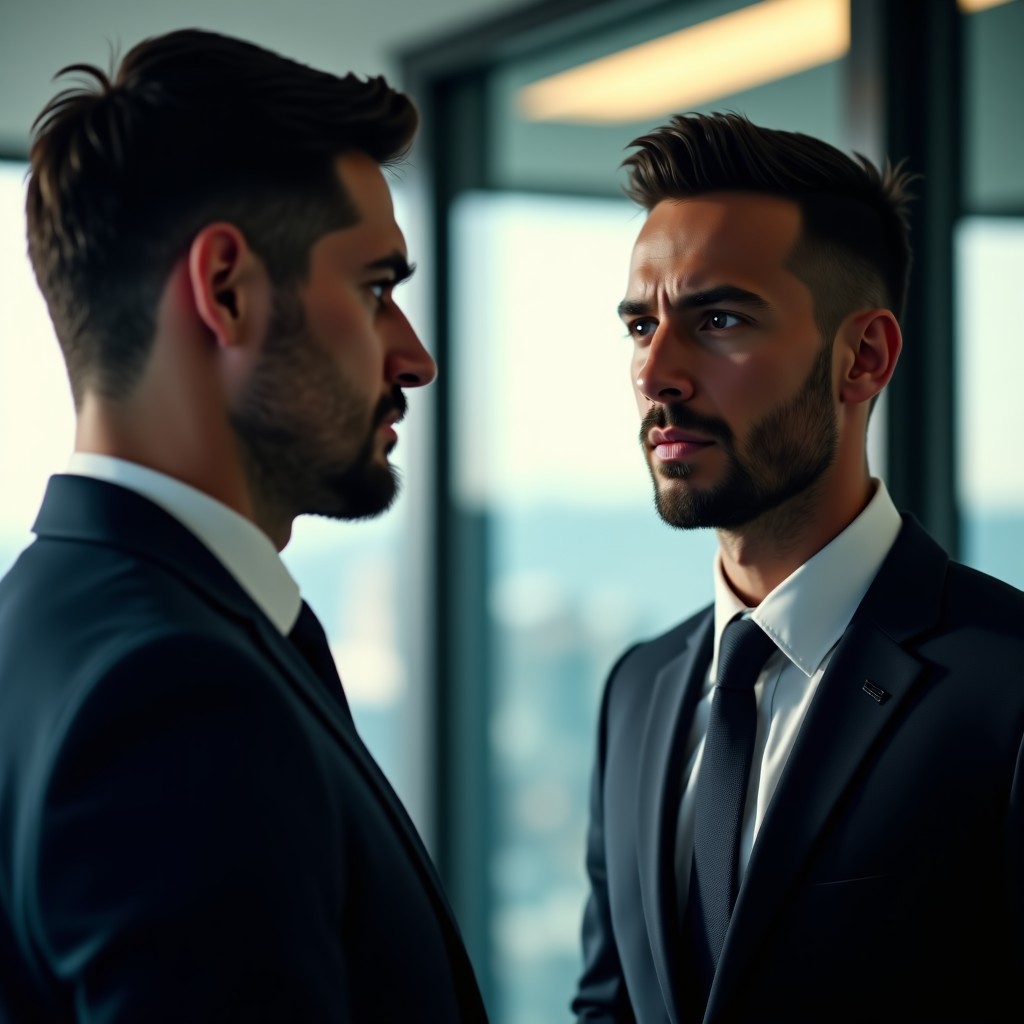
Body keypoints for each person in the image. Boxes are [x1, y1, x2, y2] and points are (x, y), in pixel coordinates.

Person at [0, 29, 487, 1023]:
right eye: (377, 289)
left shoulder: (39, 623)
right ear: (225, 288)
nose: (416, 356)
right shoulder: (175, 694)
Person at [572, 112, 1024, 1024]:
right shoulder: (638, 689)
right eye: (639, 325)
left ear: (863, 359)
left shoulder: (1008, 686)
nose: (657, 370)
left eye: (721, 319)